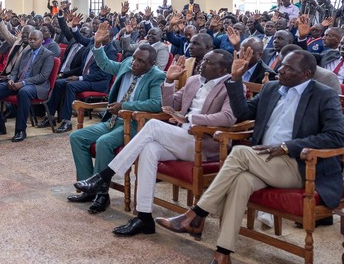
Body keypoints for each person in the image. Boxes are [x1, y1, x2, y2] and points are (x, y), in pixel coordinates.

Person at [155, 50, 344, 264]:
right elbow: (243, 114)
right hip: (263, 159)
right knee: (241, 181)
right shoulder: (272, 88)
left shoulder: (323, 94)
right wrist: (236, 80)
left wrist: (290, 146)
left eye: (288, 68)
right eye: (282, 65)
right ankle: (222, 258)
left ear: (306, 74)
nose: (280, 70)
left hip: (299, 164)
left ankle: (197, 213)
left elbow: (337, 136)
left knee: (240, 152)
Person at [74, 49, 236, 236]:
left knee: (153, 127)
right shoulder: (193, 81)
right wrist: (168, 82)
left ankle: (104, 176)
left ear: (222, 69)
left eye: (208, 62)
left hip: (202, 143)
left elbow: (228, 117)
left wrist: (191, 118)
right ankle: (144, 217)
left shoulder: (230, 86)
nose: (202, 64)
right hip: (180, 138)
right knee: (149, 149)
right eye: (204, 60)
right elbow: (169, 105)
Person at [67, 23, 165, 214]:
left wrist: (125, 106)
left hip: (134, 124)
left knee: (104, 143)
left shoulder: (156, 76)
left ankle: (102, 194)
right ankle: (88, 187)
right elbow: (105, 65)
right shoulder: (127, 65)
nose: (134, 64)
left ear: (151, 64)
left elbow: (156, 104)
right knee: (77, 137)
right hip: (112, 121)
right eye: (134, 59)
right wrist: (97, 45)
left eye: (140, 62)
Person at [0, 30, 55, 142]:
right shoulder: (26, 51)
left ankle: (20, 130)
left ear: (42, 40)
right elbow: (15, 70)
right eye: (30, 39)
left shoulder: (48, 54)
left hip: (37, 86)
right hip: (18, 83)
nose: (32, 41)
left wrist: (23, 83)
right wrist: (11, 80)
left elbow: (43, 77)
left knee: (23, 92)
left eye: (35, 39)